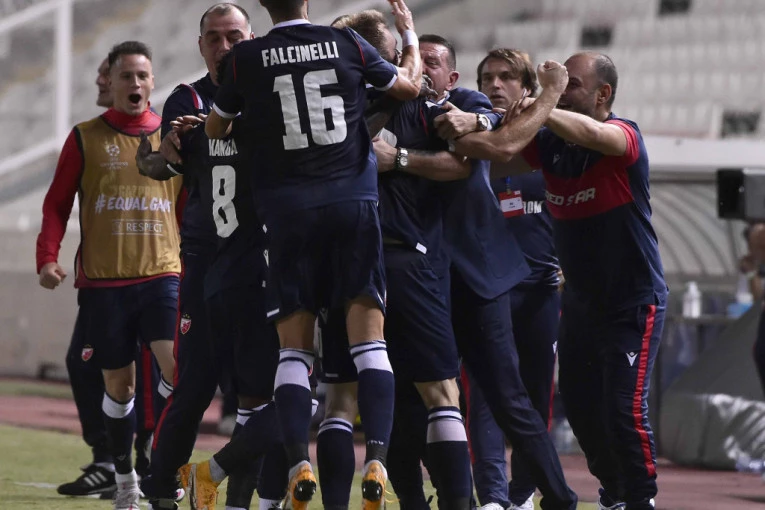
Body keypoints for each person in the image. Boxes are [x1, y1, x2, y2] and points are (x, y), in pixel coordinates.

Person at [204, 0, 422, 508]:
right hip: (352, 207)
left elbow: (216, 129)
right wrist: (409, 36)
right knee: (370, 346)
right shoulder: (346, 43)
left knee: (294, 353)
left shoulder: (247, 58)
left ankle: (299, 463)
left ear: (263, 4)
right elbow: (409, 88)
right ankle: (377, 459)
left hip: (288, 214)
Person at [372, 35, 578, 510]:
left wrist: (478, 120)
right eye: (415, 60)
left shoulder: (465, 104)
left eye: (433, 62)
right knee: (409, 401)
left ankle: (560, 499)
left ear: (451, 77)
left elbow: (492, 139)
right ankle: (429, 500)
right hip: (417, 278)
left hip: (475, 276)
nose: (421, 68)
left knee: (507, 398)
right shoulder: (385, 110)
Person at [461, 51, 667, 510]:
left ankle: (641, 499)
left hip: (633, 302)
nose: (562, 90)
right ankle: (614, 492)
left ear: (603, 94)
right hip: (580, 305)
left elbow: (592, 133)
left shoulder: (624, 136)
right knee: (579, 409)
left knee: (623, 409)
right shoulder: (551, 147)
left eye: (573, 84)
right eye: (563, 83)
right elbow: (497, 154)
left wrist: (544, 100)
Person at [314, 11, 473, 510]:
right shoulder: (420, 105)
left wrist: (398, 158)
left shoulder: (320, 109)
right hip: (407, 262)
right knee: (440, 394)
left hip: (341, 265)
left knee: (341, 399)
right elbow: (464, 163)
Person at [36, 40, 182, 510]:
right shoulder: (85, 137)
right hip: (105, 285)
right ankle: (123, 480)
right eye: (126, 76)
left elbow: (186, 207)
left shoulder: (175, 138)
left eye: (142, 75)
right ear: (112, 82)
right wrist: (47, 257)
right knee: (120, 390)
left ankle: (163, 471)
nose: (134, 83)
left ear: (153, 82)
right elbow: (57, 204)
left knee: (178, 372)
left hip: (163, 275)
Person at [133, 5, 267, 510]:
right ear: (200, 45)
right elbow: (159, 163)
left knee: (262, 390)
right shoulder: (187, 99)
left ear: (252, 38)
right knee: (195, 382)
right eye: (214, 37)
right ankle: (161, 485)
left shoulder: (271, 94)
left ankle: (243, 494)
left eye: (234, 36)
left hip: (261, 256)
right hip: (206, 256)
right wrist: (164, 152)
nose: (224, 46)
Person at [456, 48, 562, 510]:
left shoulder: (549, 143)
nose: (495, 85)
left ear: (527, 88)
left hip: (541, 290)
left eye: (506, 77)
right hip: (487, 289)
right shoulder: (472, 140)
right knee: (486, 397)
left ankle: (520, 494)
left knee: (535, 398)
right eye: (487, 78)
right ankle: (494, 498)